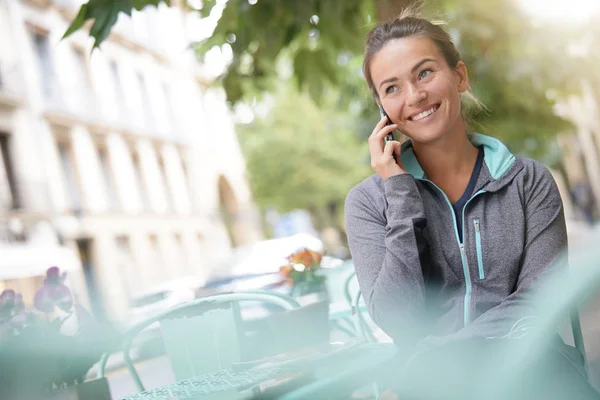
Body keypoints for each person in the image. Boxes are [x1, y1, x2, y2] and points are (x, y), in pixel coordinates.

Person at [344, 8, 599, 400]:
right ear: (382, 107)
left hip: (532, 374)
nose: (414, 96)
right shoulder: (368, 202)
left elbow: (539, 307)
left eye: (424, 72)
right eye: (391, 88)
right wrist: (400, 192)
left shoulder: (528, 182)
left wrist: (433, 357)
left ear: (459, 76)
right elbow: (400, 321)